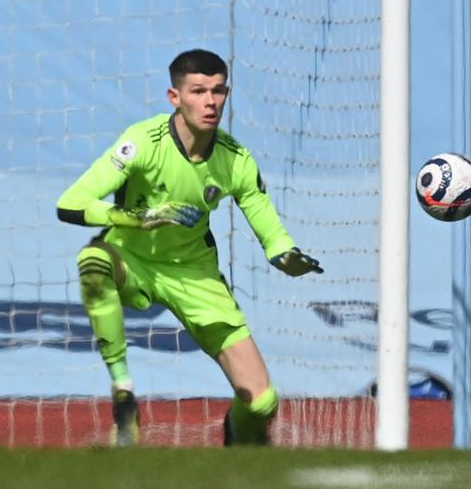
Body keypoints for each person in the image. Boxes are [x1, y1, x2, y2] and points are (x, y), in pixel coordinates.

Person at [56, 49, 323, 447]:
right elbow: (71, 202)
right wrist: (134, 218)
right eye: (198, 91)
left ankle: (239, 440)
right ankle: (124, 393)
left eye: (217, 91)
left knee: (262, 402)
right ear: (174, 97)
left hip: (195, 274)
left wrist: (284, 254)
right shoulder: (142, 142)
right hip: (133, 258)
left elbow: (267, 224)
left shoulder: (235, 159)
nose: (210, 102)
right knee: (93, 262)